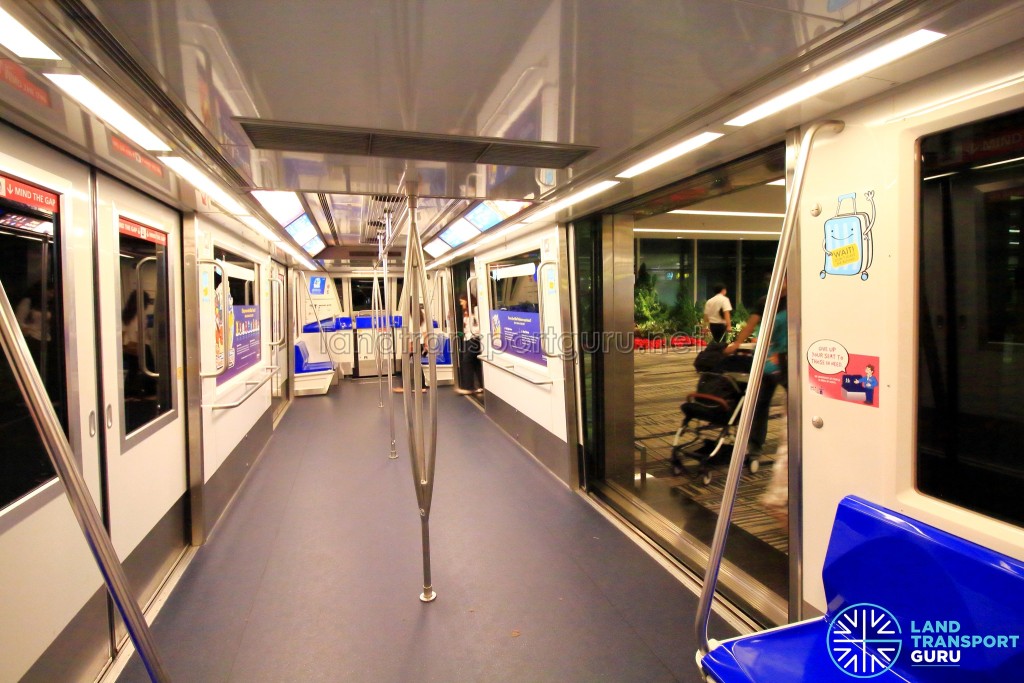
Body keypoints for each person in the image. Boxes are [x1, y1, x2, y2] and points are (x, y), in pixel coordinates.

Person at [455, 294, 483, 395]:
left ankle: (468, 387)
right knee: (475, 363)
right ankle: (481, 385)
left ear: (467, 301)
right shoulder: (466, 312)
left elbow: (479, 325)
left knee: (466, 361)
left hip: (474, 339)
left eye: (462, 301)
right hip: (468, 338)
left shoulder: (476, 310)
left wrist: (474, 332)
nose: (461, 303)